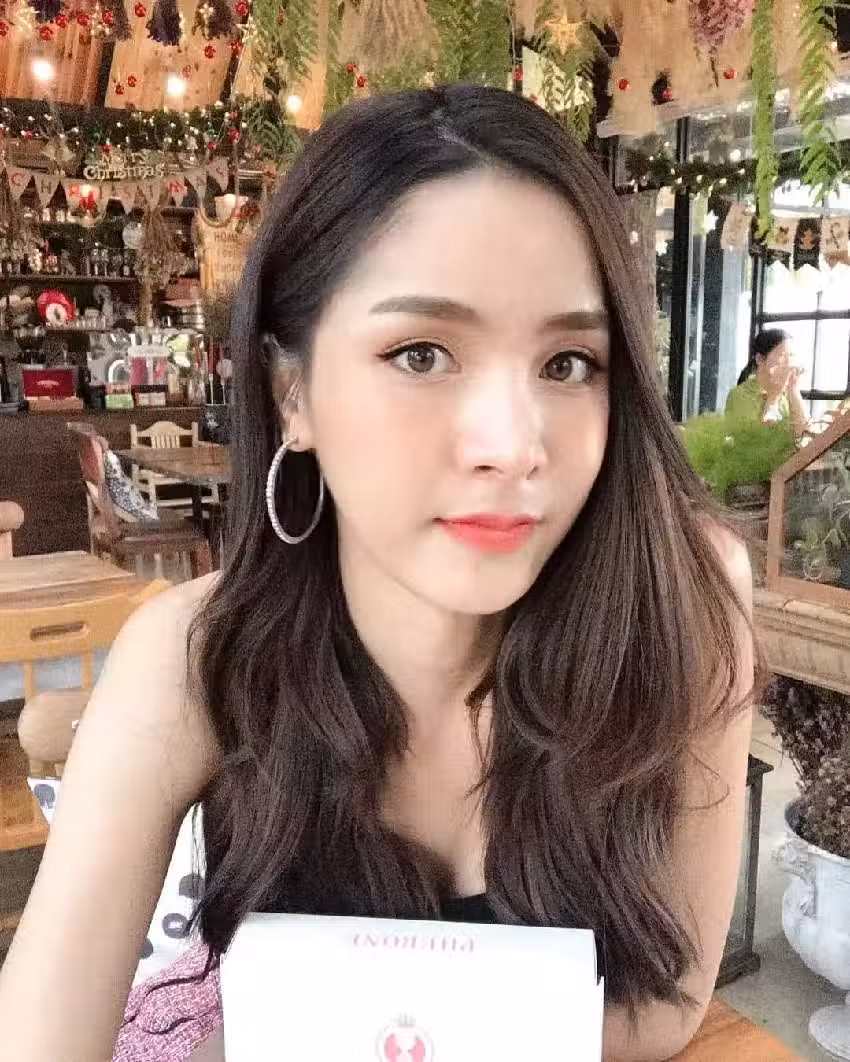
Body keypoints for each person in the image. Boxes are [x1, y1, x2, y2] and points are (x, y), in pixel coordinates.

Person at [0, 85, 756, 1062]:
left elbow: (665, 1007)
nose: (511, 444)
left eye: (568, 363)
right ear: (292, 392)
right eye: (421, 353)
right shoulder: (195, 657)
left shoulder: (684, 608)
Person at [725, 328, 809, 440]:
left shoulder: (787, 392)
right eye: (783, 355)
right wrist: (774, 396)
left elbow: (805, 435)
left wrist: (794, 390)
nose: (789, 363)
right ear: (760, 359)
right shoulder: (739, 395)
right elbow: (759, 442)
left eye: (791, 356)